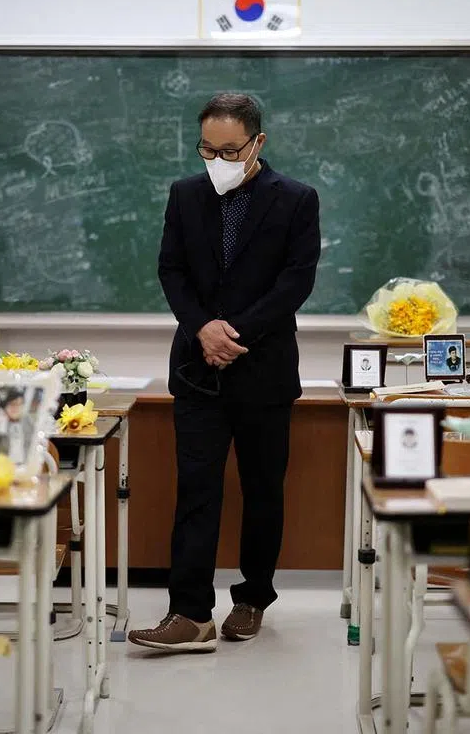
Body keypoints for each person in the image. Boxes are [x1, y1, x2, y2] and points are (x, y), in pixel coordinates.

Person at [130, 93, 320, 652]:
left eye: (230, 150)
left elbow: (296, 281)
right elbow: (171, 270)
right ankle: (190, 614)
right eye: (207, 150)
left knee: (262, 491)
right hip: (197, 369)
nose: (218, 161)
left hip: (263, 369)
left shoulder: (296, 199)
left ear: (258, 143)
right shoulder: (185, 193)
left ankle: (252, 598)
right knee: (196, 491)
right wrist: (202, 329)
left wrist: (232, 333)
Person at [0, 389, 28, 463]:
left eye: (19, 404)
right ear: (6, 406)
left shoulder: (28, 424)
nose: (15, 408)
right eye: (12, 404)